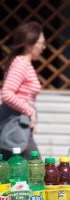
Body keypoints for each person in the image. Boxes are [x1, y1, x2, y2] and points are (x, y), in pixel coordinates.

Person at [0, 21, 45, 160]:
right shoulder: (20, 64)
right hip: (15, 123)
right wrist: (30, 111)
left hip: (19, 124)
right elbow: (6, 94)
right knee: (35, 167)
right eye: (41, 43)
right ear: (29, 45)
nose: (44, 47)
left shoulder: (24, 64)